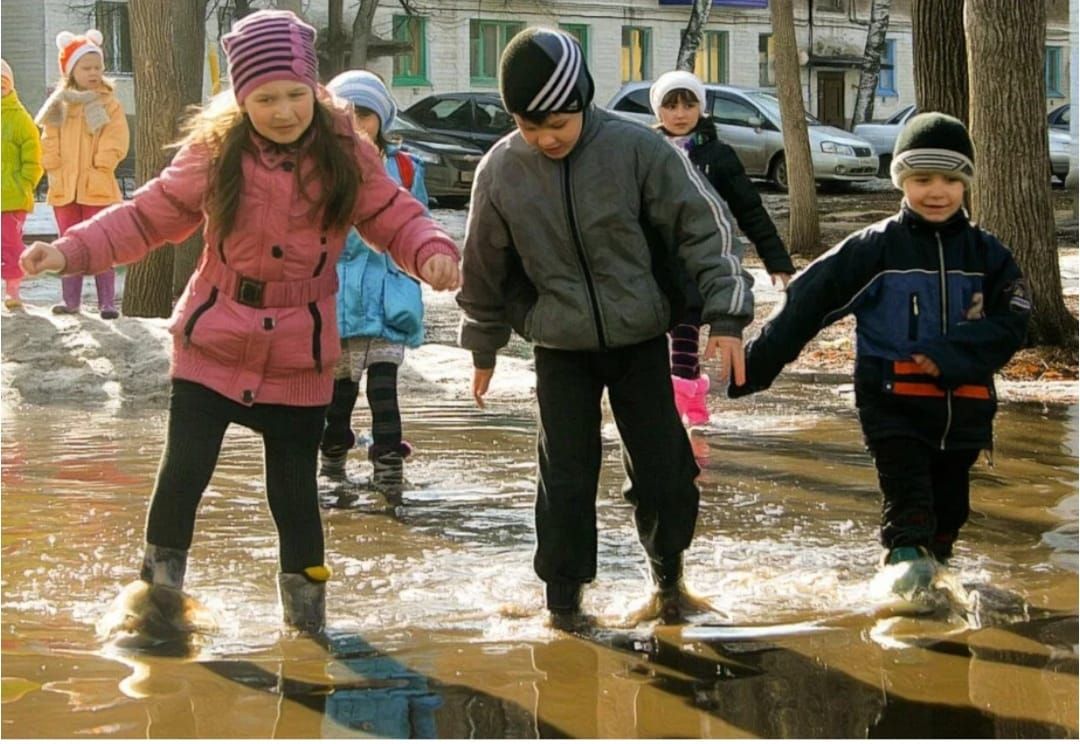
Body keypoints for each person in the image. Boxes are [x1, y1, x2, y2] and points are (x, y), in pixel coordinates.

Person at [20, 10, 461, 634]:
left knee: (294, 494)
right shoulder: (216, 150)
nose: (282, 111)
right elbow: (147, 217)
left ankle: (306, 625)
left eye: (293, 95)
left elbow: (395, 213)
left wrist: (432, 251)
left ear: (313, 89)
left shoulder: (345, 154)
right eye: (264, 98)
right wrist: (69, 250)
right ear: (241, 98)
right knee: (184, 474)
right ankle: (156, 608)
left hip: (301, 353)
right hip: (212, 338)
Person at [457, 28, 753, 627]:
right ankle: (564, 606)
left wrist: (726, 315)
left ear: (584, 100)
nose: (544, 138)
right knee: (564, 477)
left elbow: (704, 228)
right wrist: (483, 345)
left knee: (665, 470)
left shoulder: (637, 150)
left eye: (557, 124)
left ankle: (669, 584)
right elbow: (483, 263)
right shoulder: (502, 169)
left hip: (640, 338)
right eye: (528, 125)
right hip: (559, 347)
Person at [729, 112, 1030, 595]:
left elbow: (1013, 321)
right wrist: (755, 366)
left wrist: (952, 355)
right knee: (910, 513)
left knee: (949, 518)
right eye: (922, 179)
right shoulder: (875, 249)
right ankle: (902, 599)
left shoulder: (990, 256)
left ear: (967, 184)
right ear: (901, 181)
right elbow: (807, 301)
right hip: (893, 405)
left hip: (967, 410)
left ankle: (937, 599)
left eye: (951, 180)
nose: (937, 191)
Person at [650, 70, 795, 427]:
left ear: (701, 107)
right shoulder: (645, 151)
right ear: (658, 111)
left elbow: (750, 210)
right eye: (671, 105)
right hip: (652, 270)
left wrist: (776, 259)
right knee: (659, 347)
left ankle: (675, 417)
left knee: (683, 338)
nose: (681, 113)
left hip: (699, 269)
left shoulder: (719, 155)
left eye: (689, 104)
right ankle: (694, 409)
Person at [320, 70, 427, 505]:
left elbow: (415, 225)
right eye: (346, 115)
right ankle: (331, 463)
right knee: (338, 396)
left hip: (386, 299)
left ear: (382, 118)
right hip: (337, 299)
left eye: (365, 114)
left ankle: (389, 471)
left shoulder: (403, 168)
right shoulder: (319, 171)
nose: (357, 124)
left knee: (385, 392)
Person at [35, 29, 129, 319]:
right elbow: (48, 136)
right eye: (86, 68)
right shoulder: (59, 104)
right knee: (68, 244)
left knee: (100, 243)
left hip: (97, 184)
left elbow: (116, 136)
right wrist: (50, 160)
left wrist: (104, 161)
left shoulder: (108, 102)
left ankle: (107, 302)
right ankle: (71, 301)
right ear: (71, 70)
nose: (93, 73)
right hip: (65, 187)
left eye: (97, 67)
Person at [1, 58, 43, 310]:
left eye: (2, 83)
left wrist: (25, 181)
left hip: (12, 195)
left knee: (10, 243)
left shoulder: (19, 118)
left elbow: (33, 153)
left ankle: (13, 289)